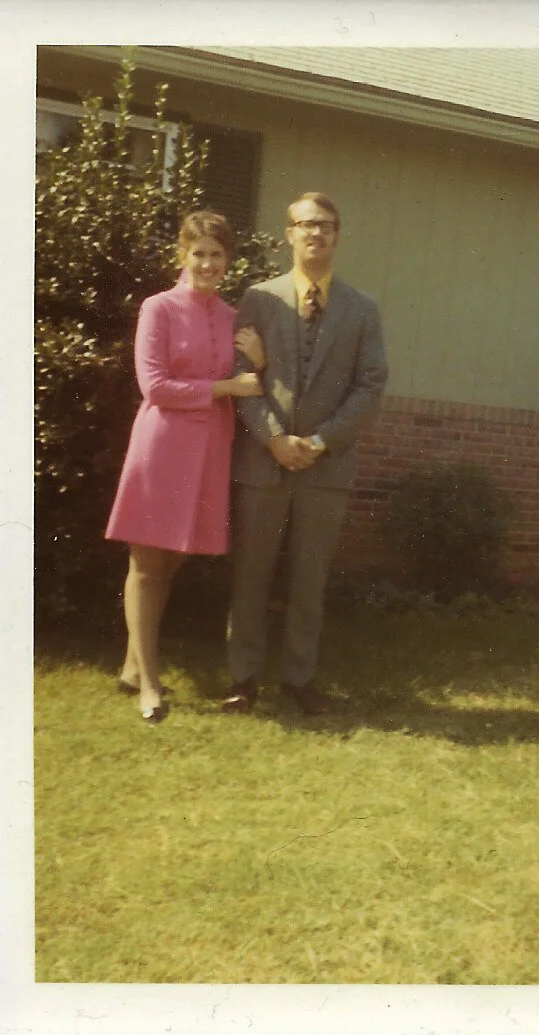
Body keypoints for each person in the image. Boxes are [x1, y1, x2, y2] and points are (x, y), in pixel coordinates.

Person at [222, 191, 388, 716]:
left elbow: (370, 386)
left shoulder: (362, 310)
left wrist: (319, 442)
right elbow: (240, 377)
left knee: (309, 578)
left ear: (337, 235)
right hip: (262, 461)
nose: (314, 233)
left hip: (325, 466)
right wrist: (272, 437)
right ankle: (243, 679)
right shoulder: (259, 299)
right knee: (251, 573)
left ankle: (299, 678)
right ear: (289, 233)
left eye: (325, 225)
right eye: (304, 224)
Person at [105, 211, 266, 723]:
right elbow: (154, 386)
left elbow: (253, 385)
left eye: (217, 254)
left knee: (171, 562)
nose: (207, 263)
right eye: (198, 253)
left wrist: (258, 361)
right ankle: (150, 685)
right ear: (182, 255)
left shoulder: (231, 316)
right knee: (147, 567)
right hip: (163, 446)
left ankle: (133, 664)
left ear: (228, 260)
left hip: (208, 452)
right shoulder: (159, 308)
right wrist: (223, 389)